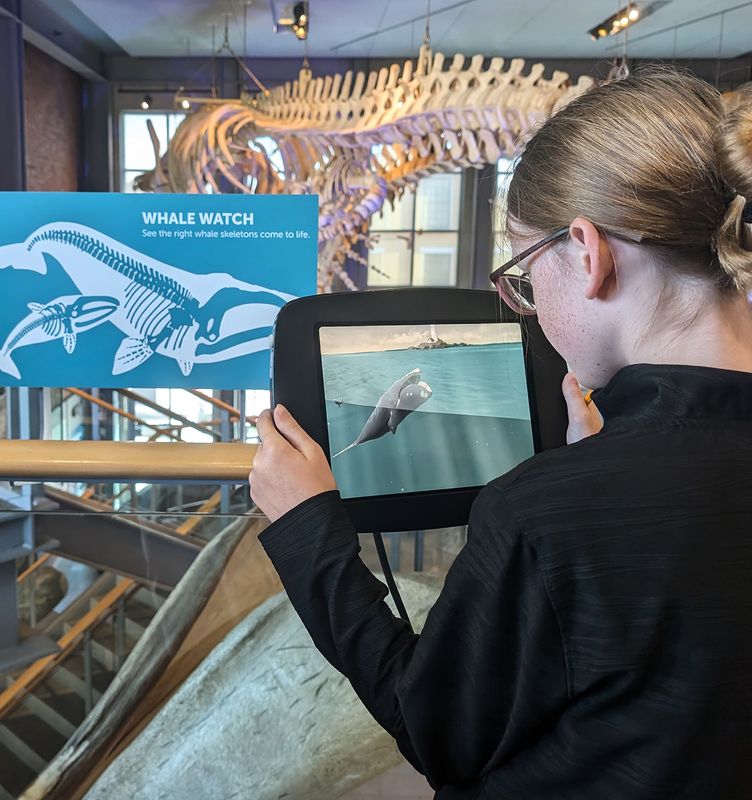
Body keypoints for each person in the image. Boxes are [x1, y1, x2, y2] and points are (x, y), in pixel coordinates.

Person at [249, 68, 752, 799]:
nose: (530, 306)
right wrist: (606, 468)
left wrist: (305, 530)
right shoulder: (565, 507)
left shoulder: (544, 512)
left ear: (588, 252)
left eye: (524, 274)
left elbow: (434, 733)